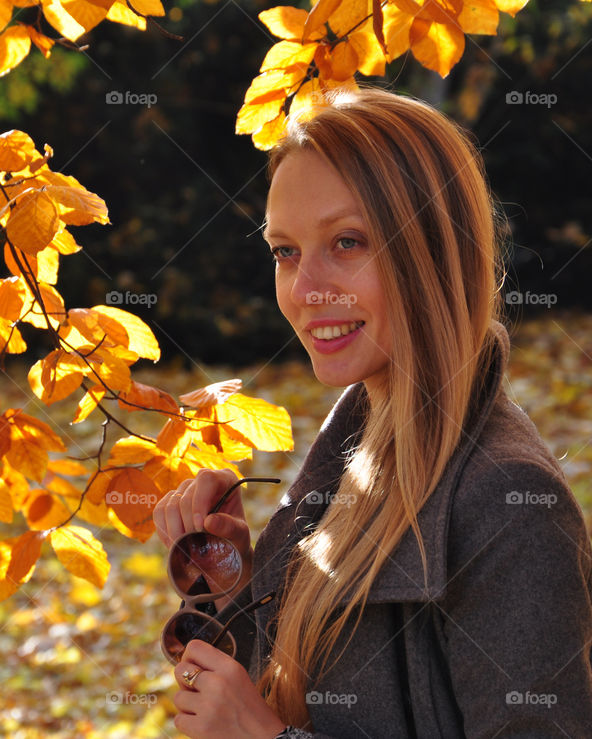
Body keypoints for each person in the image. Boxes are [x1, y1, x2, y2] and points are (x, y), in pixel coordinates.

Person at [152, 86, 592, 738]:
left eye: (348, 242)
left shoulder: (511, 504)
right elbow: (297, 676)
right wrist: (227, 579)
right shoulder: (358, 430)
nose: (305, 290)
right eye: (285, 250)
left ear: (434, 252)